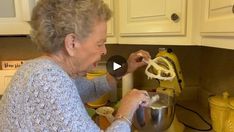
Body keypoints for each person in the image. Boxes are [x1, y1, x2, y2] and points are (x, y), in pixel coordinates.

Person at [0, 0, 151, 131]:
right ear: (72, 43)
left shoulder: (40, 69)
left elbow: (90, 89)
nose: (104, 50)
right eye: (100, 43)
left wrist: (126, 68)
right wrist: (125, 112)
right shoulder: (47, 80)